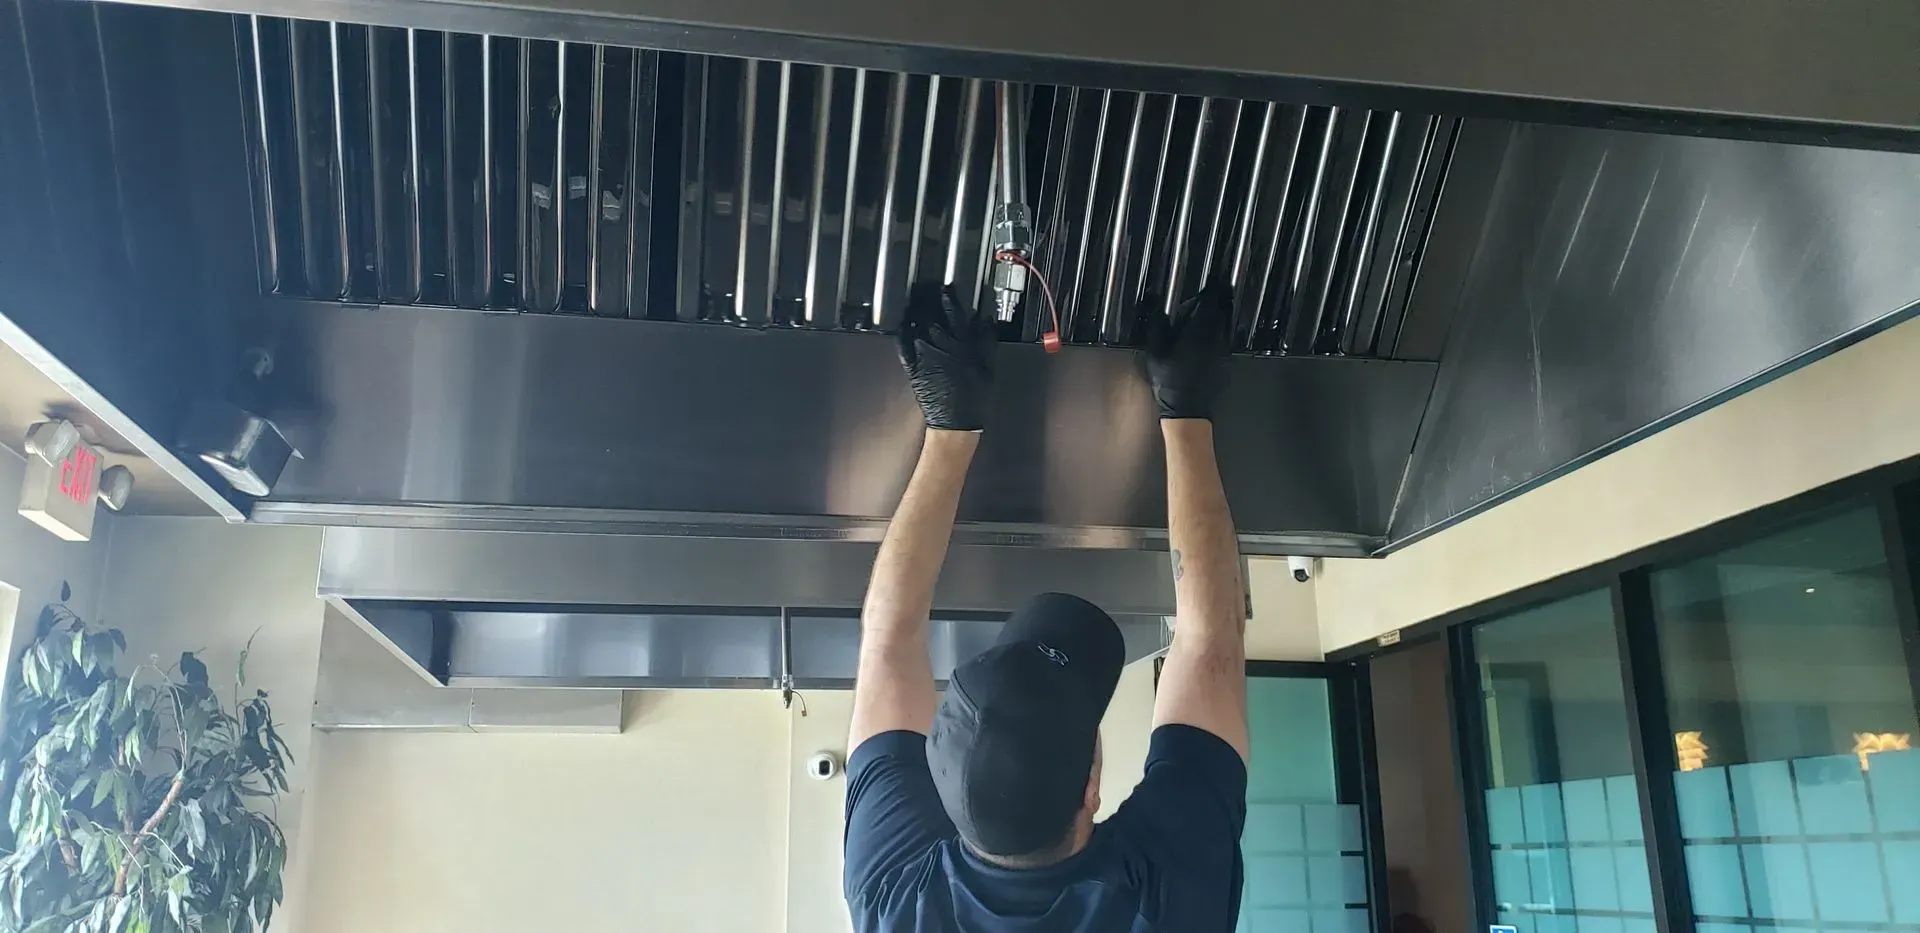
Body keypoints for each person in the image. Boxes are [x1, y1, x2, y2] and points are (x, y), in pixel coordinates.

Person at [842, 283, 1250, 931]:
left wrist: (1188, 407)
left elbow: (1213, 644)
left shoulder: (1170, 902)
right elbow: (887, 638)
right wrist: (952, 425)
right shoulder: (893, 901)